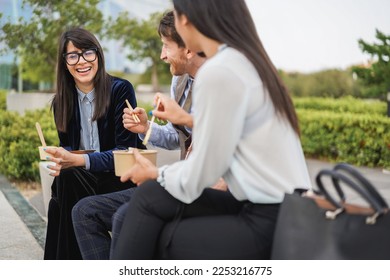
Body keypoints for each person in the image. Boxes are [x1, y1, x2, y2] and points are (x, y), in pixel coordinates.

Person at [111, 0, 312, 260]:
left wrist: (156, 173)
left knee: (156, 226)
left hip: (269, 218)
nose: (163, 53)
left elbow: (202, 172)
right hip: (280, 206)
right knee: (148, 199)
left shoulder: (220, 71)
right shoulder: (247, 61)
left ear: (186, 20)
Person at [71, 11, 207, 260]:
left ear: (188, 48)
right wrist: (146, 129)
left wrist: (156, 173)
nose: (161, 55)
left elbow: (216, 140)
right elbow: (178, 136)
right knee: (83, 211)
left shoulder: (218, 84)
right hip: (178, 181)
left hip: (194, 187)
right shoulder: (180, 81)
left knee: (125, 217)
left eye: (166, 46)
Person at [43, 27, 138, 260]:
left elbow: (124, 151)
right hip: (81, 181)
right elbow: (68, 145)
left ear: (98, 55)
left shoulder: (120, 90)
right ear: (65, 62)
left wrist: (78, 160)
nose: (81, 61)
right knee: (66, 175)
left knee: (66, 185)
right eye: (73, 55)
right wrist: (60, 156)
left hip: (120, 180)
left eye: (88, 53)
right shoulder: (61, 102)